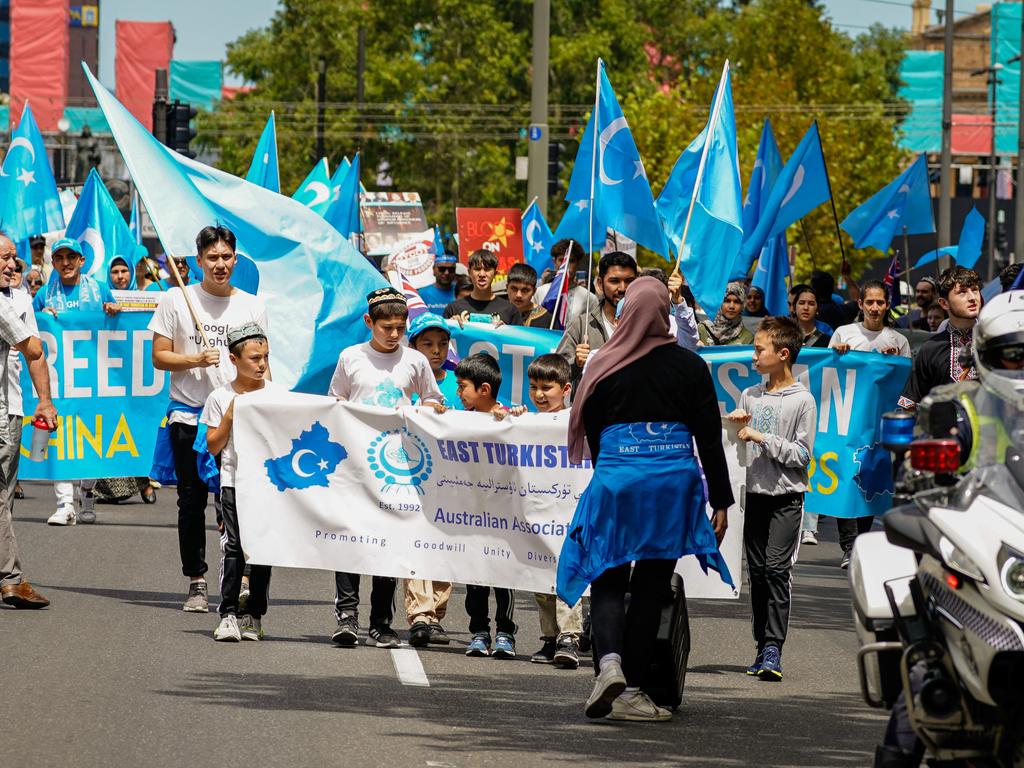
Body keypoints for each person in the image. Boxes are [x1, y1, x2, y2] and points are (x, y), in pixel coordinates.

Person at [559, 276, 731, 722]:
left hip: (617, 484)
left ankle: (609, 663)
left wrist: (620, 468)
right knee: (653, 585)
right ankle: (632, 690)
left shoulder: (602, 365)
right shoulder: (690, 367)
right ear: (662, 314)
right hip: (672, 489)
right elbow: (709, 440)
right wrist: (722, 502)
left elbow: (596, 439)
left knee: (608, 576)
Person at [149, 225, 268, 612]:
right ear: (198, 261)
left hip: (237, 415)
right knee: (191, 500)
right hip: (188, 416)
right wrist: (194, 359)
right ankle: (196, 580)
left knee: (239, 500)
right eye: (212, 258)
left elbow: (263, 360)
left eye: (226, 257)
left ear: (236, 259)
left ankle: (243, 576)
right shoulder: (176, 299)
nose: (220, 264)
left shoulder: (252, 305)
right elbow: (159, 356)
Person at [328, 286, 445, 648]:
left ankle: (381, 621)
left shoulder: (415, 361)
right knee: (350, 539)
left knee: (388, 543)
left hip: (397, 469)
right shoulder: (350, 358)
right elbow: (335, 403)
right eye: (386, 328)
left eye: (400, 327)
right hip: (354, 467)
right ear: (369, 322)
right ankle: (347, 616)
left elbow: (432, 400)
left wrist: (428, 410)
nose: (394, 335)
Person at [727, 317, 816, 681]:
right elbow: (737, 443)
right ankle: (760, 643)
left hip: (786, 498)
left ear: (782, 354)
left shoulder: (803, 400)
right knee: (759, 574)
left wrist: (761, 437)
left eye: (759, 349)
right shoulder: (750, 394)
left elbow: (802, 455)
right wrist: (734, 426)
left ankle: (773, 648)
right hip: (754, 497)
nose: (753, 355)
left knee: (778, 571)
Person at [35, 238, 119, 526]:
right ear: (54, 262)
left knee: (90, 438)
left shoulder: (99, 289)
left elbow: (120, 330)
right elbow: (28, 328)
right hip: (58, 380)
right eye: (60, 257)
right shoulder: (45, 293)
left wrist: (113, 312)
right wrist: (41, 317)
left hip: (93, 379)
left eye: (72, 257)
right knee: (57, 439)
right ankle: (64, 503)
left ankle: (87, 492)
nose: (66, 262)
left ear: (82, 261)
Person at [829, 279, 911, 567]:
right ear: (860, 304)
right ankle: (848, 544)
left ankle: (860, 542)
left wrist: (896, 362)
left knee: (868, 478)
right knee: (844, 477)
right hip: (847, 418)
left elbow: (906, 384)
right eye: (870, 302)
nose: (875, 307)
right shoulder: (844, 333)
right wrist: (837, 355)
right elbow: (830, 375)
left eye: (880, 302)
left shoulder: (898, 341)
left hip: (878, 422)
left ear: (887, 305)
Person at [203, 322, 276, 642]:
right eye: (254, 358)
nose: (261, 364)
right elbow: (213, 445)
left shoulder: (278, 395)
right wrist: (231, 415)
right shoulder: (220, 397)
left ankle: (254, 615)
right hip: (233, 480)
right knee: (235, 547)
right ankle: (228, 612)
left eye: (265, 357)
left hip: (269, 484)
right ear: (234, 359)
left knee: (262, 550)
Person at [0, 232, 59, 609]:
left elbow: (34, 353)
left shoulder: (15, 297)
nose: (11, 265)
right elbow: (33, 346)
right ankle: (11, 578)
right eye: (4, 258)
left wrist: (44, 400)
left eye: (14, 259)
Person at [519, 353, 585, 668]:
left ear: (566, 388)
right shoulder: (529, 422)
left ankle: (570, 636)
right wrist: (512, 416)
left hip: (570, 512)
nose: (540, 395)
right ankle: (550, 636)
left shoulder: (576, 420)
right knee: (541, 576)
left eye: (547, 387)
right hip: (538, 512)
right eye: (534, 387)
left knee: (567, 573)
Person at [454, 352, 518, 659]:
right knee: (475, 576)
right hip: (470, 514)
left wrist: (513, 420)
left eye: (462, 386)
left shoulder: (506, 420)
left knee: (503, 576)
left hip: (502, 514)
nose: (457, 393)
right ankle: (479, 631)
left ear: (484, 390)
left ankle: (505, 632)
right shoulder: (457, 420)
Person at [404, 312, 457, 647]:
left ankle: (436, 613)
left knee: (444, 546)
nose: (435, 351)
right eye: (427, 343)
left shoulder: (458, 379)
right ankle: (419, 613)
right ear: (413, 347)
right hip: (411, 475)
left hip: (452, 478)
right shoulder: (404, 380)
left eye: (441, 343)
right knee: (414, 543)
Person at [898, 267, 981, 411]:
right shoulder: (930, 349)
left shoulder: (994, 342)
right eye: (962, 292)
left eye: (974, 289)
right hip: (944, 432)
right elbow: (910, 404)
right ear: (944, 303)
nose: (972, 297)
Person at [556, 251, 638, 391]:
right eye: (614, 281)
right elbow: (556, 373)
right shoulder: (581, 324)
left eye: (629, 281)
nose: (623, 288)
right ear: (600, 284)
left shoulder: (646, 323)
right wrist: (576, 363)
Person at [442, 249, 521, 325]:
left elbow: (518, 338)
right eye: (477, 269)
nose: (482, 274)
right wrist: (450, 325)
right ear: (469, 272)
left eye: (487, 270)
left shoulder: (510, 310)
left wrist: (506, 330)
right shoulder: (453, 309)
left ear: (495, 274)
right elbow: (440, 337)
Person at [535, 239, 593, 327]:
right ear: (554, 262)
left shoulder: (588, 297)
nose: (566, 265)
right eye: (562, 260)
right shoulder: (540, 292)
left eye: (571, 261)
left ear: (578, 263)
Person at [698, 282, 755, 346]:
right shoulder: (702, 329)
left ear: (742, 306)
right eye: (727, 301)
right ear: (720, 303)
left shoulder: (748, 338)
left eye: (737, 302)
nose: (731, 306)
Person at [505, 263, 553, 328]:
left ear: (534, 291)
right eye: (514, 289)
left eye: (525, 290)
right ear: (507, 287)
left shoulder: (547, 320)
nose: (518, 295)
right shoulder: (498, 313)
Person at [790, 284, 831, 348]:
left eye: (811, 304)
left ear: (817, 309)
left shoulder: (827, 341)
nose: (806, 308)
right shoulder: (783, 336)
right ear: (794, 307)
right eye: (801, 303)